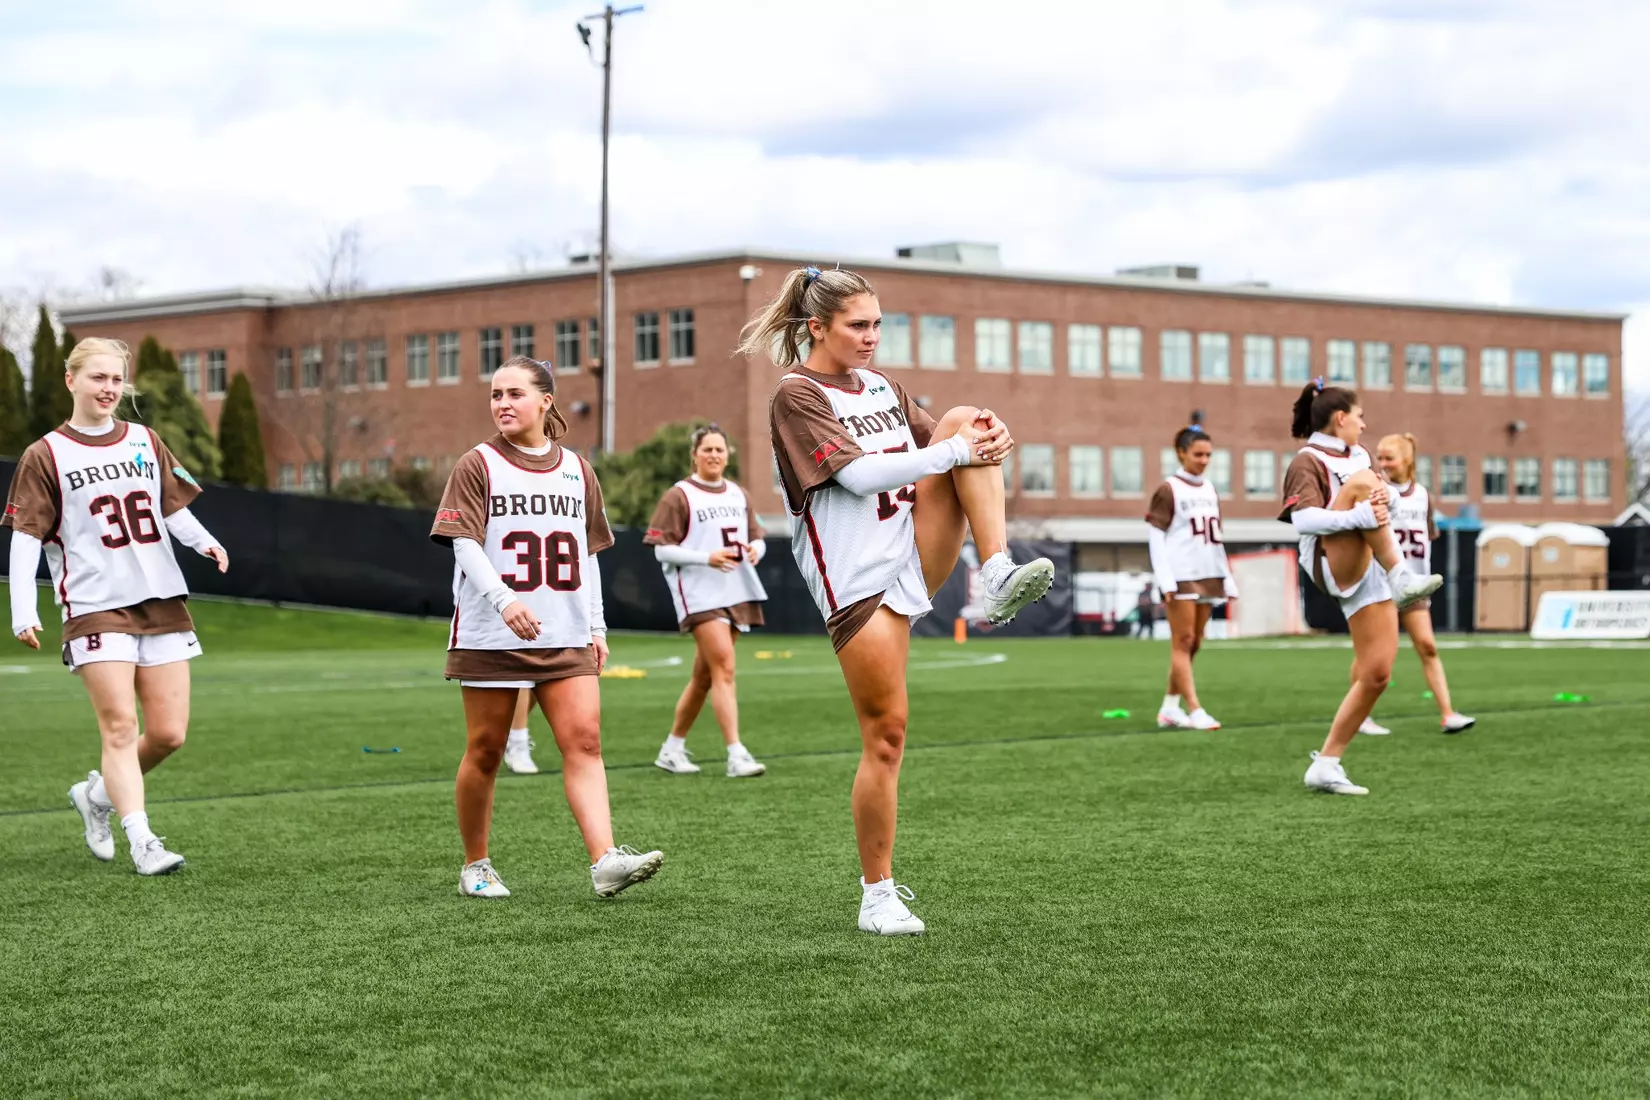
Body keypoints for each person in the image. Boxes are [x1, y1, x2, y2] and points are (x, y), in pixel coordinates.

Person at [749, 265, 1056, 935]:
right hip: (858, 585)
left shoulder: (885, 385)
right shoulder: (796, 395)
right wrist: (954, 450)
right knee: (886, 738)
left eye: (877, 323)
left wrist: (983, 441)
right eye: (858, 325)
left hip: (914, 548)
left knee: (967, 418)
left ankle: (997, 569)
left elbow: (946, 447)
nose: (871, 336)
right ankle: (876, 894)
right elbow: (860, 477)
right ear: (816, 327)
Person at [429, 356, 661, 899]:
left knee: (584, 741)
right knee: (485, 750)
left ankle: (605, 861)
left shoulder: (577, 468)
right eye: (495, 395)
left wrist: (598, 627)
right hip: (492, 632)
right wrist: (504, 600)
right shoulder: (477, 463)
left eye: (514, 393)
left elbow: (589, 554)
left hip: (566, 631)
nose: (502, 404)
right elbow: (464, 542)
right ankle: (475, 865)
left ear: (545, 401)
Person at [5, 337, 229, 875]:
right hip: (94, 605)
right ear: (71, 380)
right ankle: (143, 840)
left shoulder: (146, 441)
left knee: (170, 734)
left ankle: (97, 796)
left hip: (160, 598)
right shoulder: (45, 454)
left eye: (115, 380)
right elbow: (25, 535)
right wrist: (21, 607)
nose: (108, 389)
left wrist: (206, 542)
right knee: (121, 728)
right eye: (97, 378)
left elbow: (169, 506)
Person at [1278, 380, 1443, 796]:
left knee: (1377, 674)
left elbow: (1384, 507)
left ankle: (1327, 762)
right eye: (1359, 416)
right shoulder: (1307, 459)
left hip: (1370, 562)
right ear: (1340, 418)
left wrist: (1383, 504)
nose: (1364, 425)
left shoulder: (1360, 456)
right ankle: (1402, 575)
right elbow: (1303, 522)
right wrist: (1361, 513)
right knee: (1361, 484)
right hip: (1328, 560)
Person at [644, 424, 769, 778]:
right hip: (700, 594)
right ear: (694, 455)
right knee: (725, 669)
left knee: (704, 677)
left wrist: (754, 550)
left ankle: (672, 748)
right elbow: (660, 549)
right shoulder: (679, 495)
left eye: (719, 449)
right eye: (707, 449)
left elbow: (758, 537)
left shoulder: (738, 494)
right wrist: (706, 558)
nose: (714, 455)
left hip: (737, 589)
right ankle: (736, 754)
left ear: (728, 454)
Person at [1357, 433, 1475, 736]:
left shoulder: (1422, 494)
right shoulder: (1376, 490)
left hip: (1414, 583)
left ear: (1407, 460)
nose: (1382, 464)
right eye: (1379, 458)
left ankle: (1448, 714)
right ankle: (1360, 716)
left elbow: (1427, 535)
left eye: (1388, 458)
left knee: (1427, 645)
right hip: (1382, 582)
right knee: (1374, 654)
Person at [1146, 423, 1237, 731]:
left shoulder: (1210, 488)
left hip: (1208, 571)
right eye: (1198, 454)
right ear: (1181, 453)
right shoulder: (1169, 489)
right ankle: (1195, 709)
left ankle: (1170, 707)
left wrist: (1227, 577)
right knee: (1182, 641)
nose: (1203, 460)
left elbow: (1217, 537)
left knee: (1195, 641)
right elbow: (1156, 536)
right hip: (1182, 574)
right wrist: (1165, 579)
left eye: (1208, 454)